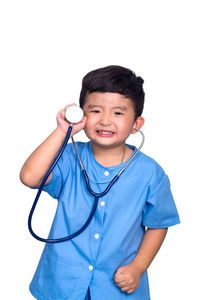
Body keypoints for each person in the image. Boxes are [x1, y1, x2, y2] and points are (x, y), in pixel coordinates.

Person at [20, 65, 180, 300]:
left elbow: (158, 224)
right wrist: (63, 131)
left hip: (116, 288)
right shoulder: (69, 157)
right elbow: (29, 177)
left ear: (137, 123)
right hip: (63, 283)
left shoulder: (150, 173)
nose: (105, 121)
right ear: (81, 115)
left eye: (118, 113)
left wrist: (138, 267)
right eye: (95, 111)